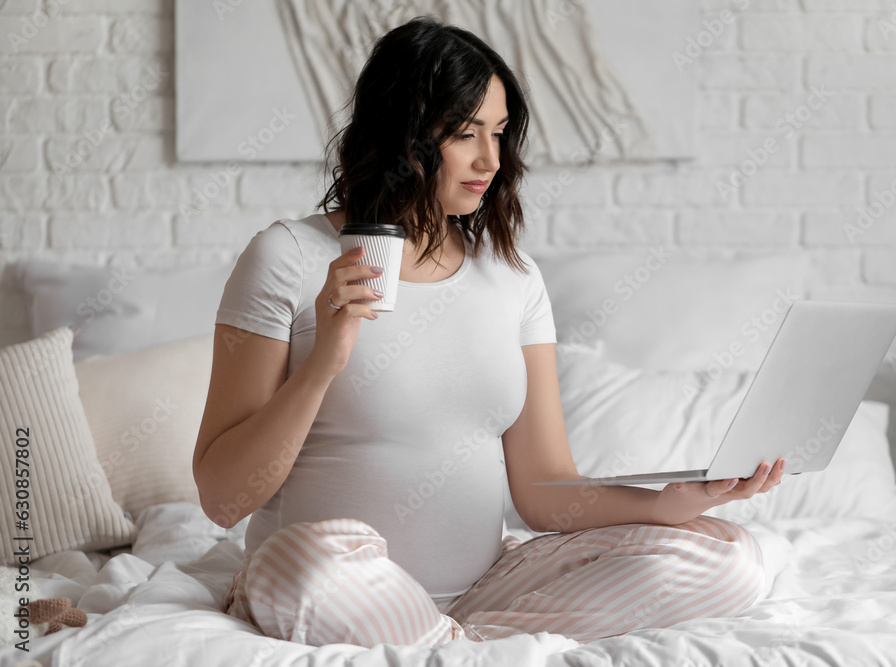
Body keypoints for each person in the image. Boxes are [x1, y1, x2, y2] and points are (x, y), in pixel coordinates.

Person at [193, 16, 785, 649]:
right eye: (464, 133)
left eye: (499, 133)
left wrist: (668, 503)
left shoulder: (514, 278)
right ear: (403, 135)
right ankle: (477, 648)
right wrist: (323, 364)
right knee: (304, 569)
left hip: (485, 589)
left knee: (732, 555)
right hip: (329, 584)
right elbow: (224, 499)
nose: (490, 160)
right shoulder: (287, 257)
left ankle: (445, 645)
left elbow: (544, 492)